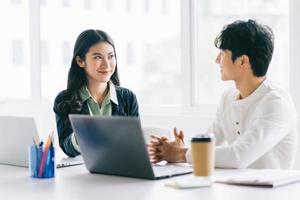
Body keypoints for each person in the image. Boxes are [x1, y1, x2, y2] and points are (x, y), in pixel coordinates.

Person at [148, 19, 298, 169]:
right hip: (237, 187)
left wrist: (181, 153)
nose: (216, 60)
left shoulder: (277, 104)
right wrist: (181, 148)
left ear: (242, 61)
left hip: (272, 191)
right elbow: (209, 143)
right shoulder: (228, 97)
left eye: (222, 53)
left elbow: (238, 156)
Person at [53, 29, 139, 157]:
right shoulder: (64, 99)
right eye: (98, 57)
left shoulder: (128, 98)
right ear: (80, 61)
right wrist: (81, 136)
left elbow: (133, 144)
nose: (106, 64)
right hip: (82, 171)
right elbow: (66, 146)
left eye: (111, 56)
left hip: (120, 169)